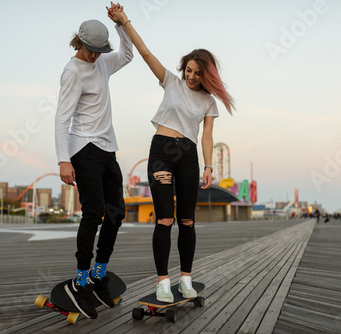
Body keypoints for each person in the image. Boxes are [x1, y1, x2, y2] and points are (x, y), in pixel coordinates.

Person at [109, 3, 235, 303]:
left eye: (197, 73)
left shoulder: (209, 102)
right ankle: (163, 282)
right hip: (162, 153)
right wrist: (124, 21)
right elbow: (145, 52)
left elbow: (207, 135)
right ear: (184, 68)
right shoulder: (171, 82)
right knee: (165, 219)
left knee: (187, 221)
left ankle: (186, 279)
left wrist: (208, 167)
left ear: (207, 75)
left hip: (189, 157)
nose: (191, 76)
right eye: (189, 70)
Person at [54, 3, 133, 319]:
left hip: (107, 149)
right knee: (94, 212)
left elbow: (127, 55)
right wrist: (63, 160)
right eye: (91, 51)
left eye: (100, 51)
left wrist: (121, 25)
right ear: (80, 43)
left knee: (116, 213)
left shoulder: (102, 63)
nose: (96, 56)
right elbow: (61, 119)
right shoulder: (72, 72)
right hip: (82, 149)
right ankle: (81, 278)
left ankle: (100, 272)